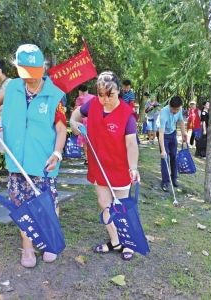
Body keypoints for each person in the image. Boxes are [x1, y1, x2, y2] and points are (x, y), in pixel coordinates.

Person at [0, 44, 67, 267]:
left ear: (43, 68)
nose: (30, 78)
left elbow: (61, 129)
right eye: (25, 72)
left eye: (35, 72)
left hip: (44, 163)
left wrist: (57, 154)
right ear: (18, 68)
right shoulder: (11, 88)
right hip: (17, 161)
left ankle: (48, 241)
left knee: (47, 203)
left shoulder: (55, 95)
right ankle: (27, 246)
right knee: (22, 205)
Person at [70, 71, 140, 261]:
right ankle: (115, 241)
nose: (105, 99)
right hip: (98, 165)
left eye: (110, 95)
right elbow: (76, 115)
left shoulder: (127, 115)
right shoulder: (92, 104)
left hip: (119, 167)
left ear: (119, 92)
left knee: (121, 207)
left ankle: (128, 241)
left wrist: (133, 167)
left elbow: (132, 144)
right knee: (103, 203)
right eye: (101, 95)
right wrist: (73, 123)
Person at [158, 96, 187, 192]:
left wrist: (184, 133)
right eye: (174, 109)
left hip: (173, 133)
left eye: (177, 109)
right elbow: (161, 133)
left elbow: (181, 120)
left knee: (174, 156)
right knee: (165, 158)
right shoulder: (164, 112)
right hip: (164, 135)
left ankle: (174, 178)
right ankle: (165, 182)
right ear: (170, 105)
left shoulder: (179, 109)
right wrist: (163, 150)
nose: (175, 111)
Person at [73, 84, 94, 165]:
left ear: (80, 91)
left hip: (84, 121)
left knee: (85, 140)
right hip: (93, 120)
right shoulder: (94, 97)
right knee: (92, 140)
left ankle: (87, 159)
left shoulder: (79, 98)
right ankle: (93, 158)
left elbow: (76, 110)